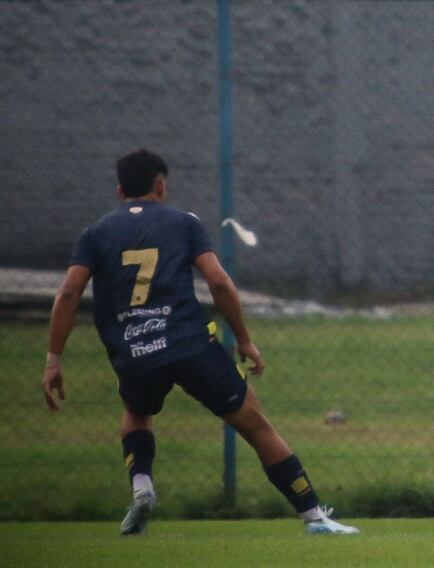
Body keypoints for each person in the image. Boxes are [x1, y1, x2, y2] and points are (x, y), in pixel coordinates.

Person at [41, 149, 359, 536]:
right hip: (191, 345)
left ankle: (142, 487)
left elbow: (69, 293)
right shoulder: (183, 224)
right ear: (161, 186)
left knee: (137, 414)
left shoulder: (95, 234)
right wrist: (244, 340)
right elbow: (219, 281)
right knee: (255, 426)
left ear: (120, 189)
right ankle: (313, 517)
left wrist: (53, 360)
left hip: (135, 352)